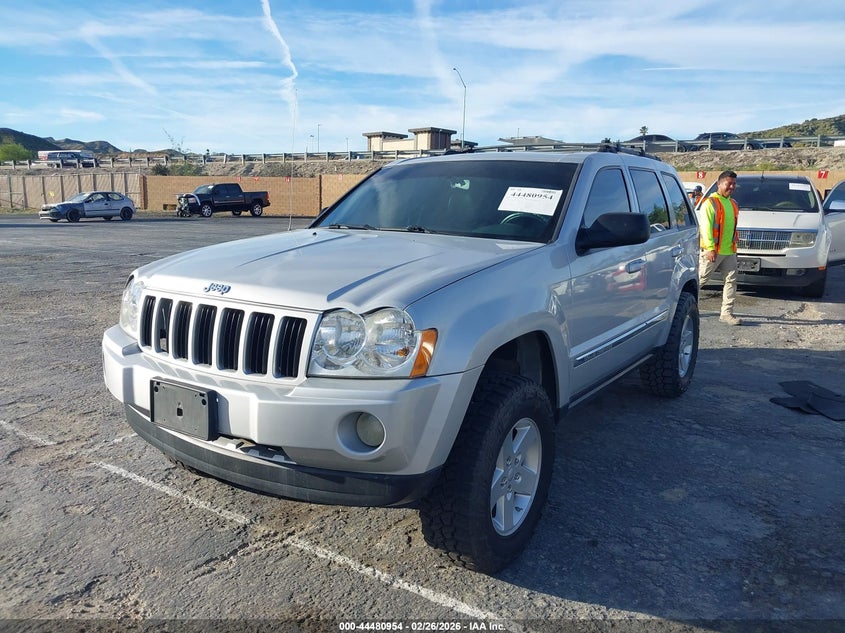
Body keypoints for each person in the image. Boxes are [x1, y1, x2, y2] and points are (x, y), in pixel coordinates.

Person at [698, 170, 742, 325]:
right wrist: (710, 248)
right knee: (700, 280)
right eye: (728, 183)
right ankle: (682, 308)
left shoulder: (733, 203)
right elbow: (705, 228)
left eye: (734, 184)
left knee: (731, 281)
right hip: (713, 252)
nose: (732, 186)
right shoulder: (710, 203)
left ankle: (726, 314)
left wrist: (734, 242)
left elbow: (731, 226)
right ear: (719, 184)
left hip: (729, 251)